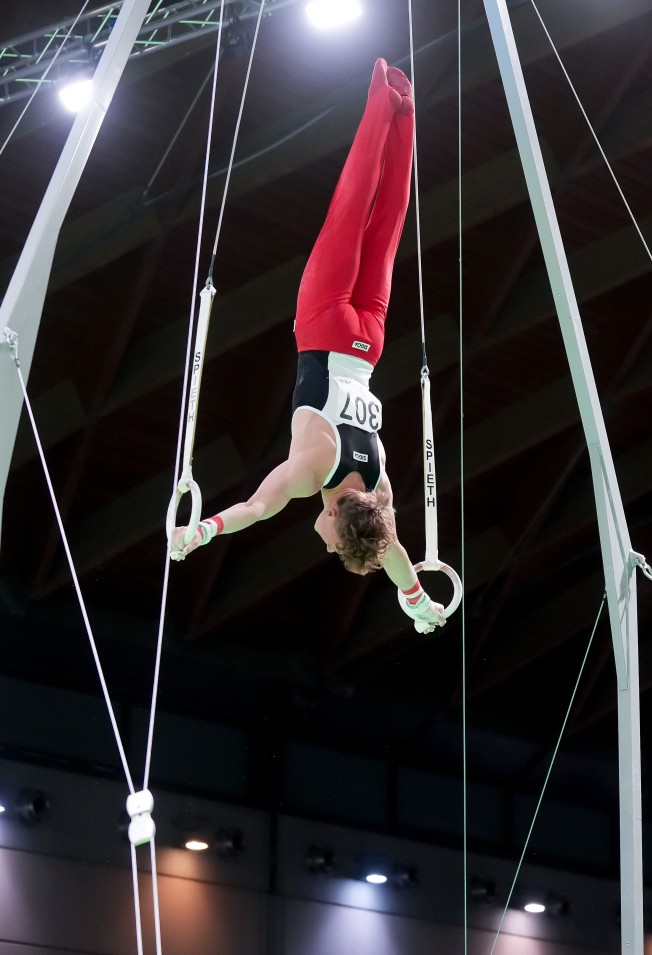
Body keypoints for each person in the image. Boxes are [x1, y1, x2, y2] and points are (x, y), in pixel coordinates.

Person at [171, 58, 445, 633]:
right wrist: (199, 533)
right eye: (332, 544)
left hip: (368, 342)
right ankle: (380, 99)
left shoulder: (378, 487)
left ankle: (403, 111)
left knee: (387, 225)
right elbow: (254, 509)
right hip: (324, 327)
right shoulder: (314, 471)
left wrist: (421, 603)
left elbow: (394, 551)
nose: (321, 544)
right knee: (352, 206)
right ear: (336, 516)